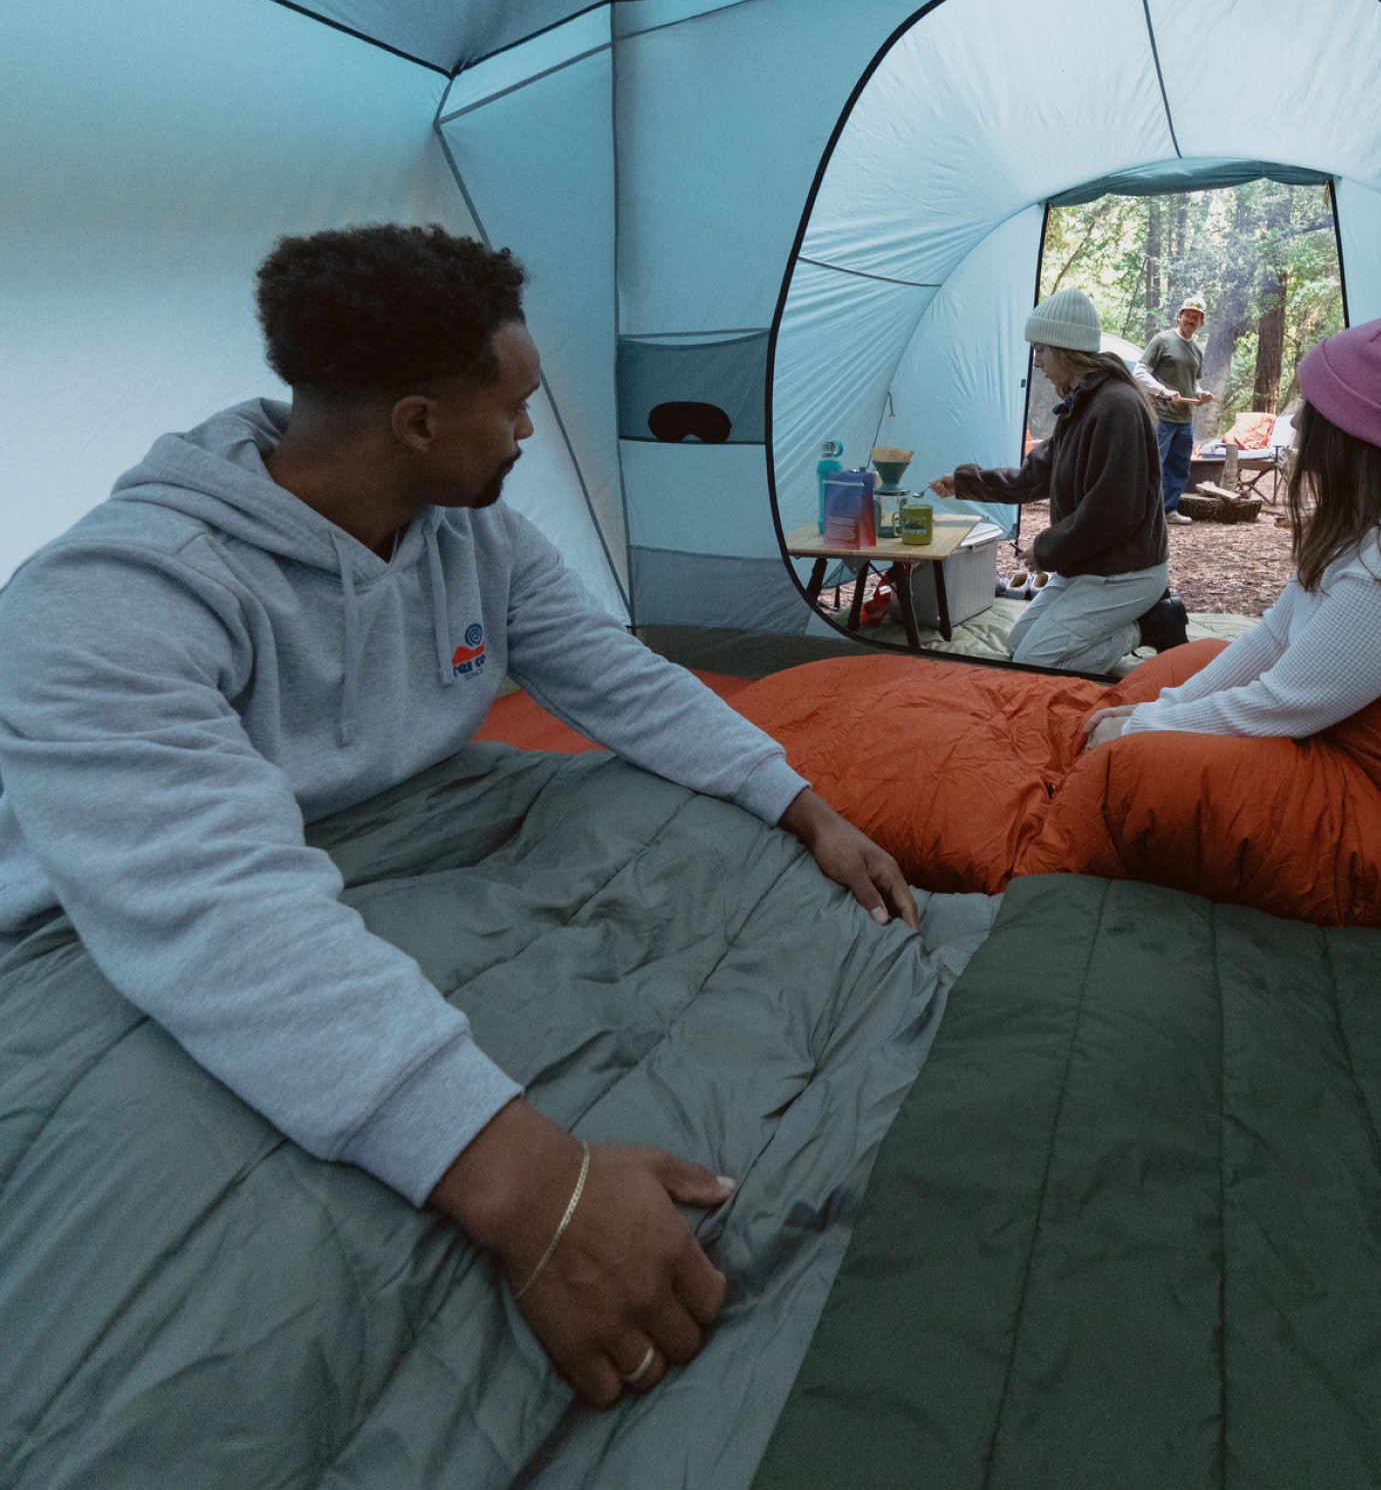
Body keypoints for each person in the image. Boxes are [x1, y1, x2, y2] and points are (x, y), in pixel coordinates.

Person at [0, 225, 917, 1412]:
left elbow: (617, 677)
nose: (531, 432)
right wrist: (534, 1189)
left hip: (418, 825)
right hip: (108, 915)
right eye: (516, 406)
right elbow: (212, 898)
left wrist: (800, 806)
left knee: (673, 815)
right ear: (418, 422)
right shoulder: (112, 600)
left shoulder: (469, 533)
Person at [1084, 313, 1381, 786]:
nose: (1296, 420)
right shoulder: (1365, 517)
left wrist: (1142, 729)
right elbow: (1273, 637)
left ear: (1344, 429)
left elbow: (1287, 701)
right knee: (1196, 661)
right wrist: (1162, 707)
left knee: (1155, 771)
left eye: (1310, 405)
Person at [928, 289, 1182, 671]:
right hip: (1088, 564)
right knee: (1019, 644)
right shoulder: (1081, 404)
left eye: (1041, 350)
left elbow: (1112, 513)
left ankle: (1149, 625)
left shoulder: (1116, 407)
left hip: (1126, 573)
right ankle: (1129, 625)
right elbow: (1032, 477)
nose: (1037, 362)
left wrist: (1045, 549)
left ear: (1065, 348)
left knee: (1037, 662)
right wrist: (965, 482)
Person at [1135, 295, 1215, 524]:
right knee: (1154, 465)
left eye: (1196, 317)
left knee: (1179, 467)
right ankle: (1144, 513)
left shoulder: (1197, 349)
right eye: (1188, 315)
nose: (1191, 320)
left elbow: (1193, 383)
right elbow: (1140, 371)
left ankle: (1168, 511)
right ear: (1179, 316)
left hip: (1185, 418)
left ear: (1201, 322)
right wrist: (1164, 391)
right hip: (1160, 415)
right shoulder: (1163, 340)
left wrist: (1201, 394)